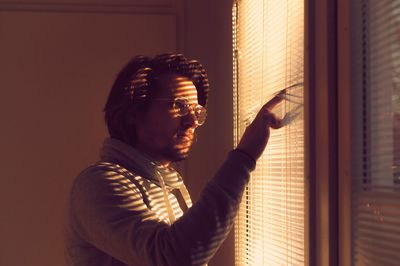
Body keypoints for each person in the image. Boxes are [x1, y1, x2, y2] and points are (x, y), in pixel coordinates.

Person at [65, 53, 283, 266]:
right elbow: (173, 258)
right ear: (134, 112)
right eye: (179, 106)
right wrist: (243, 158)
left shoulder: (167, 187)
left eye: (197, 111)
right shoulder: (98, 184)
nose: (192, 122)